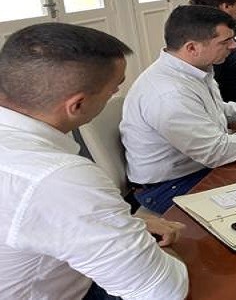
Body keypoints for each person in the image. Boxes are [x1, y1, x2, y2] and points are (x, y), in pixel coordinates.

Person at [0, 23, 188, 299]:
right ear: (77, 105)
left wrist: (126, 226)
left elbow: (28, 219)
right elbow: (163, 290)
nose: (116, 96)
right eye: (114, 90)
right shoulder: (59, 178)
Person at [121, 5, 236, 214]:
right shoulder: (169, 94)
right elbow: (217, 152)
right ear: (192, 48)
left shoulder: (193, 69)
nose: (234, 46)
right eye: (225, 42)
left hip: (198, 169)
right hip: (172, 186)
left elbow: (209, 108)